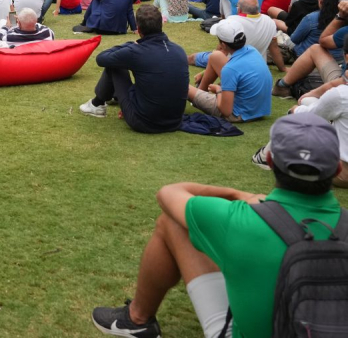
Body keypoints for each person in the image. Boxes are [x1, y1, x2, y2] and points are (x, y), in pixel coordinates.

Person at [91, 111, 345, 338]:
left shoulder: (240, 219)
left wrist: (238, 195)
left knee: (174, 221)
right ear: (336, 169)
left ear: (269, 161)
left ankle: (136, 319)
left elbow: (168, 194)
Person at [79, 5, 189, 133]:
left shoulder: (135, 51)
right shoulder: (179, 50)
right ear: (160, 25)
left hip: (144, 122)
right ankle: (113, 97)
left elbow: (101, 59)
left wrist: (130, 44)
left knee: (115, 64)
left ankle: (97, 104)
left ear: (139, 29)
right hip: (174, 121)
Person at [187, 18, 272, 122]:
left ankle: (198, 95)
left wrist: (218, 91)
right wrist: (204, 73)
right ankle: (201, 92)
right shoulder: (252, 50)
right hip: (258, 110)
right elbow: (235, 68)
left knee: (183, 86)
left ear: (223, 45)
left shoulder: (230, 69)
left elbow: (226, 111)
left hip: (236, 114)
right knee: (215, 56)